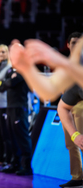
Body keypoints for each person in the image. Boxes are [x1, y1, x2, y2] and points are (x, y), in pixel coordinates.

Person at [0, 67, 32, 175]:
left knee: (22, 137)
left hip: (19, 108)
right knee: (12, 137)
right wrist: (5, 81)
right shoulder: (10, 70)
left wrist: (5, 82)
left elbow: (9, 83)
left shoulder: (23, 69)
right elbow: (2, 86)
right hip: (10, 107)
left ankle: (27, 166)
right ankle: (15, 164)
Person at [57, 32, 83, 188]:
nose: (76, 45)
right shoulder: (63, 63)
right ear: (68, 45)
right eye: (73, 42)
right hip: (66, 104)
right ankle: (77, 176)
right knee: (71, 142)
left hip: (80, 106)